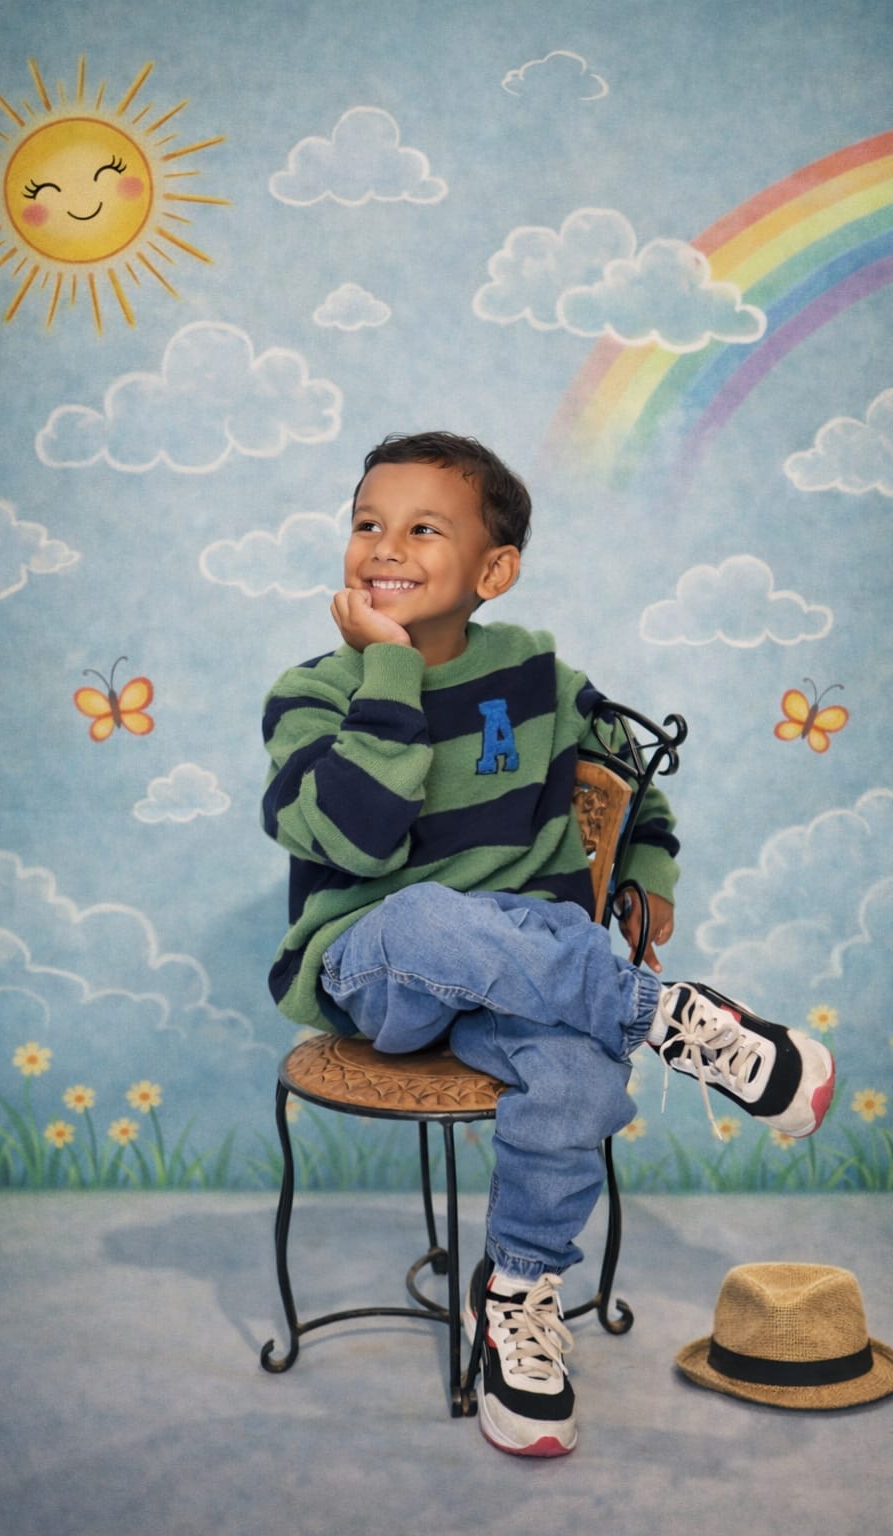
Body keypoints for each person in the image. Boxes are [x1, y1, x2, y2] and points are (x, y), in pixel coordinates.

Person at [261, 431, 835, 1458]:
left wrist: (648, 872)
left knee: (572, 1073)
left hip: (530, 971)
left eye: (422, 529)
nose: (383, 547)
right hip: (380, 966)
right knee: (429, 911)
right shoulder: (315, 693)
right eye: (367, 523)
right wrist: (388, 666)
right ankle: (668, 1019)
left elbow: (631, 780)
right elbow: (358, 838)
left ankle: (516, 1298)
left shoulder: (537, 674)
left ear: (493, 572)